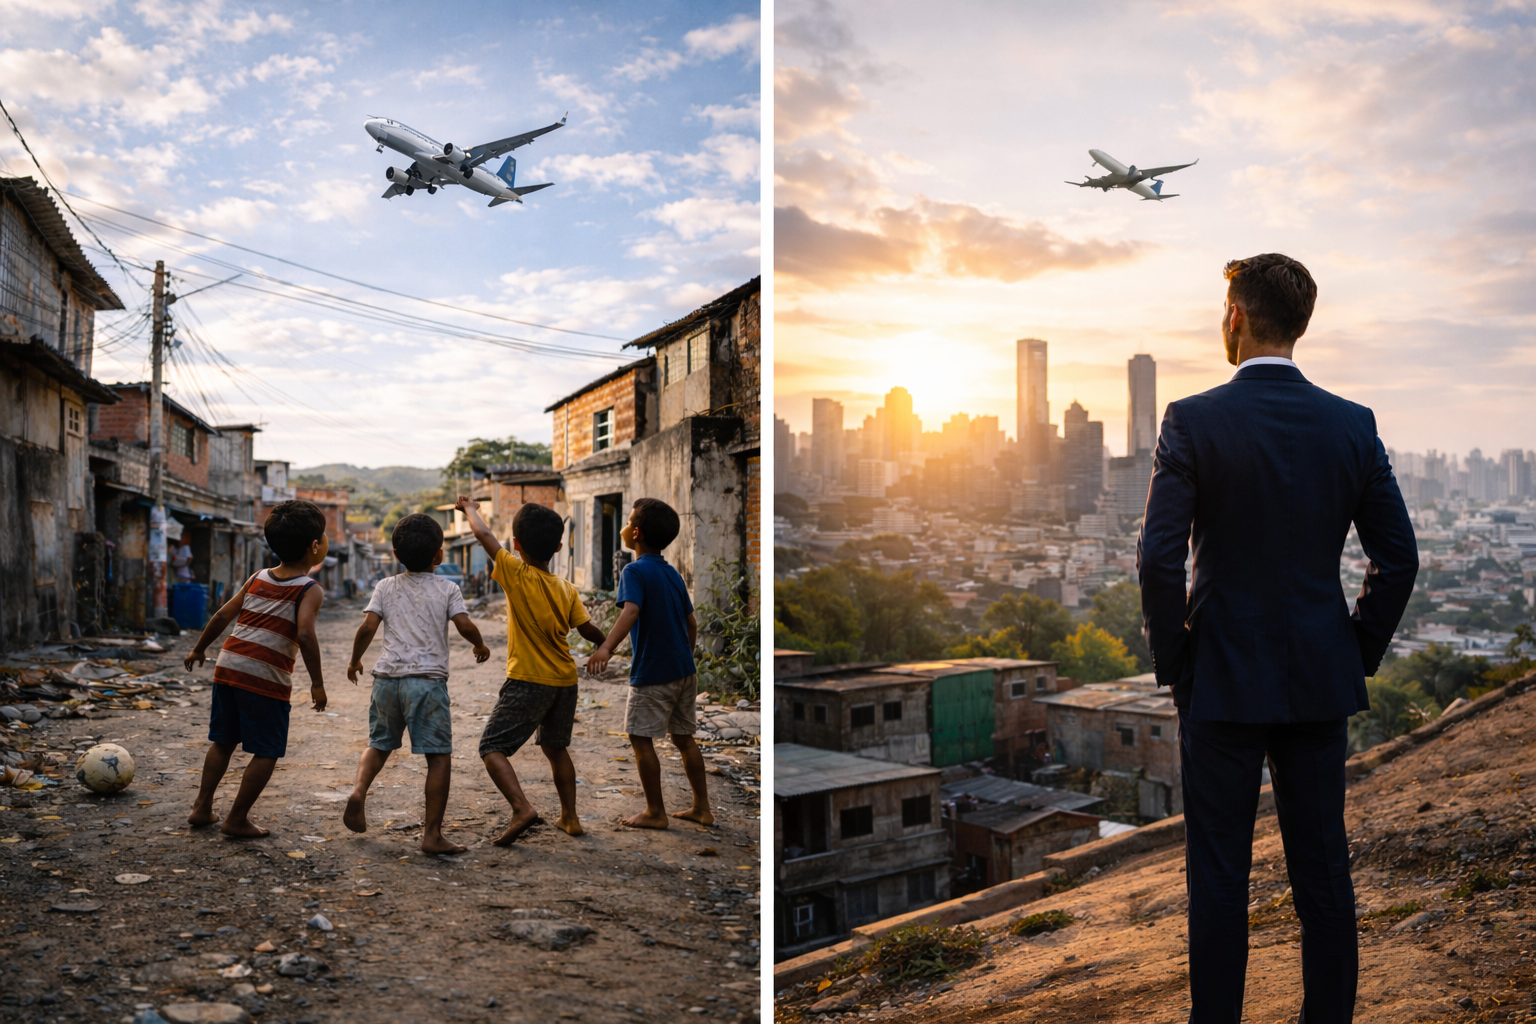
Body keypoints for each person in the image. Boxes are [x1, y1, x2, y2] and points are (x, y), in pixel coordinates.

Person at [1138, 254, 1418, 1024]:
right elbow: (1398, 560)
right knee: (1324, 868)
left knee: (1220, 874)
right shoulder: (1351, 424)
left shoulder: (1192, 420)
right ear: (1301, 323)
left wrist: (1178, 663)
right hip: (1316, 680)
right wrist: (1350, 652)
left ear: (1236, 316)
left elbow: (1160, 557)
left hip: (1221, 681)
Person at [455, 495, 608, 845]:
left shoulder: (514, 571)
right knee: (556, 749)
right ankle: (570, 818)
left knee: (492, 748)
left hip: (527, 681)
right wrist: (606, 647)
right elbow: (587, 630)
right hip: (565, 682)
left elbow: (483, 536)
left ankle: (522, 808)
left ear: (516, 545)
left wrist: (470, 509)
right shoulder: (566, 589)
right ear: (557, 547)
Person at [182, 500, 332, 838]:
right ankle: (235, 819)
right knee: (267, 750)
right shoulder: (310, 589)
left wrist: (199, 648)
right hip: (264, 677)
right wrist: (318, 684)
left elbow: (223, 615)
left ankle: (202, 807)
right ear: (314, 547)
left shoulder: (257, 577)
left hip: (228, 665)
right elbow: (305, 635)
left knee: (223, 741)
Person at [342, 513, 490, 855]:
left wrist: (354, 661)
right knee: (438, 757)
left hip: (386, 680)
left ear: (395, 554)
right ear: (440, 555)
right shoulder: (448, 588)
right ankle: (432, 835)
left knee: (379, 744)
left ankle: (359, 791)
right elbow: (464, 625)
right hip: (426, 683)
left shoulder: (385, 586)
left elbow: (367, 628)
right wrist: (479, 644)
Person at [587, 498, 711, 829]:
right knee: (685, 739)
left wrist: (605, 650)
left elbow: (630, 611)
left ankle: (655, 812)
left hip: (653, 672)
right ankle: (702, 808)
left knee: (640, 738)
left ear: (636, 533)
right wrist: (684, 656)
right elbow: (692, 624)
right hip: (685, 670)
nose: (624, 527)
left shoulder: (634, 570)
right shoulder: (672, 574)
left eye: (627, 522)